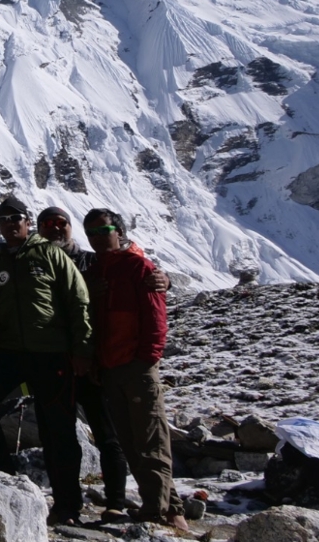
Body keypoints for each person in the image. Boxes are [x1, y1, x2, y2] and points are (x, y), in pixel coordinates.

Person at [0, 196, 92, 526]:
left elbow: (78, 300)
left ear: (27, 222)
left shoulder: (51, 254)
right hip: (10, 353)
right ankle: (6, 481)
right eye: (3, 219)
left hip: (51, 353)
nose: (10, 224)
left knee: (58, 429)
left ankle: (67, 504)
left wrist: (83, 349)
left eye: (16, 218)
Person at [84, 208, 188, 531]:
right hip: (111, 368)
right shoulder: (96, 271)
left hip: (137, 367)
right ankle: (169, 509)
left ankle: (156, 511)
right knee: (131, 442)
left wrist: (147, 359)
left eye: (105, 230)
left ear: (120, 230)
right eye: (93, 233)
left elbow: (156, 320)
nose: (99, 238)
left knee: (151, 439)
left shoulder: (140, 267)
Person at [37, 206, 129, 519]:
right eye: (47, 224)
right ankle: (66, 503)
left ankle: (116, 500)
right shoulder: (34, 265)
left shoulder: (92, 261)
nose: (55, 228)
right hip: (52, 363)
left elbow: (130, 273)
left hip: (93, 363)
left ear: (70, 227)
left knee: (107, 434)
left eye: (61, 223)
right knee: (58, 437)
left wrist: (162, 278)